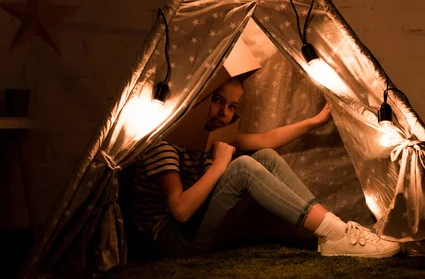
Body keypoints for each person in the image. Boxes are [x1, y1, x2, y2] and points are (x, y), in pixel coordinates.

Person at [133, 76, 401, 258]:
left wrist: (314, 122)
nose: (224, 112)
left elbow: (266, 140)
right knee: (243, 168)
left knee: (265, 156)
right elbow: (179, 211)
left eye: (232, 106)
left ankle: (335, 233)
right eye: (217, 100)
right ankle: (335, 232)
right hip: (174, 242)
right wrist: (221, 164)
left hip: (195, 230)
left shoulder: (213, 139)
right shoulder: (165, 143)